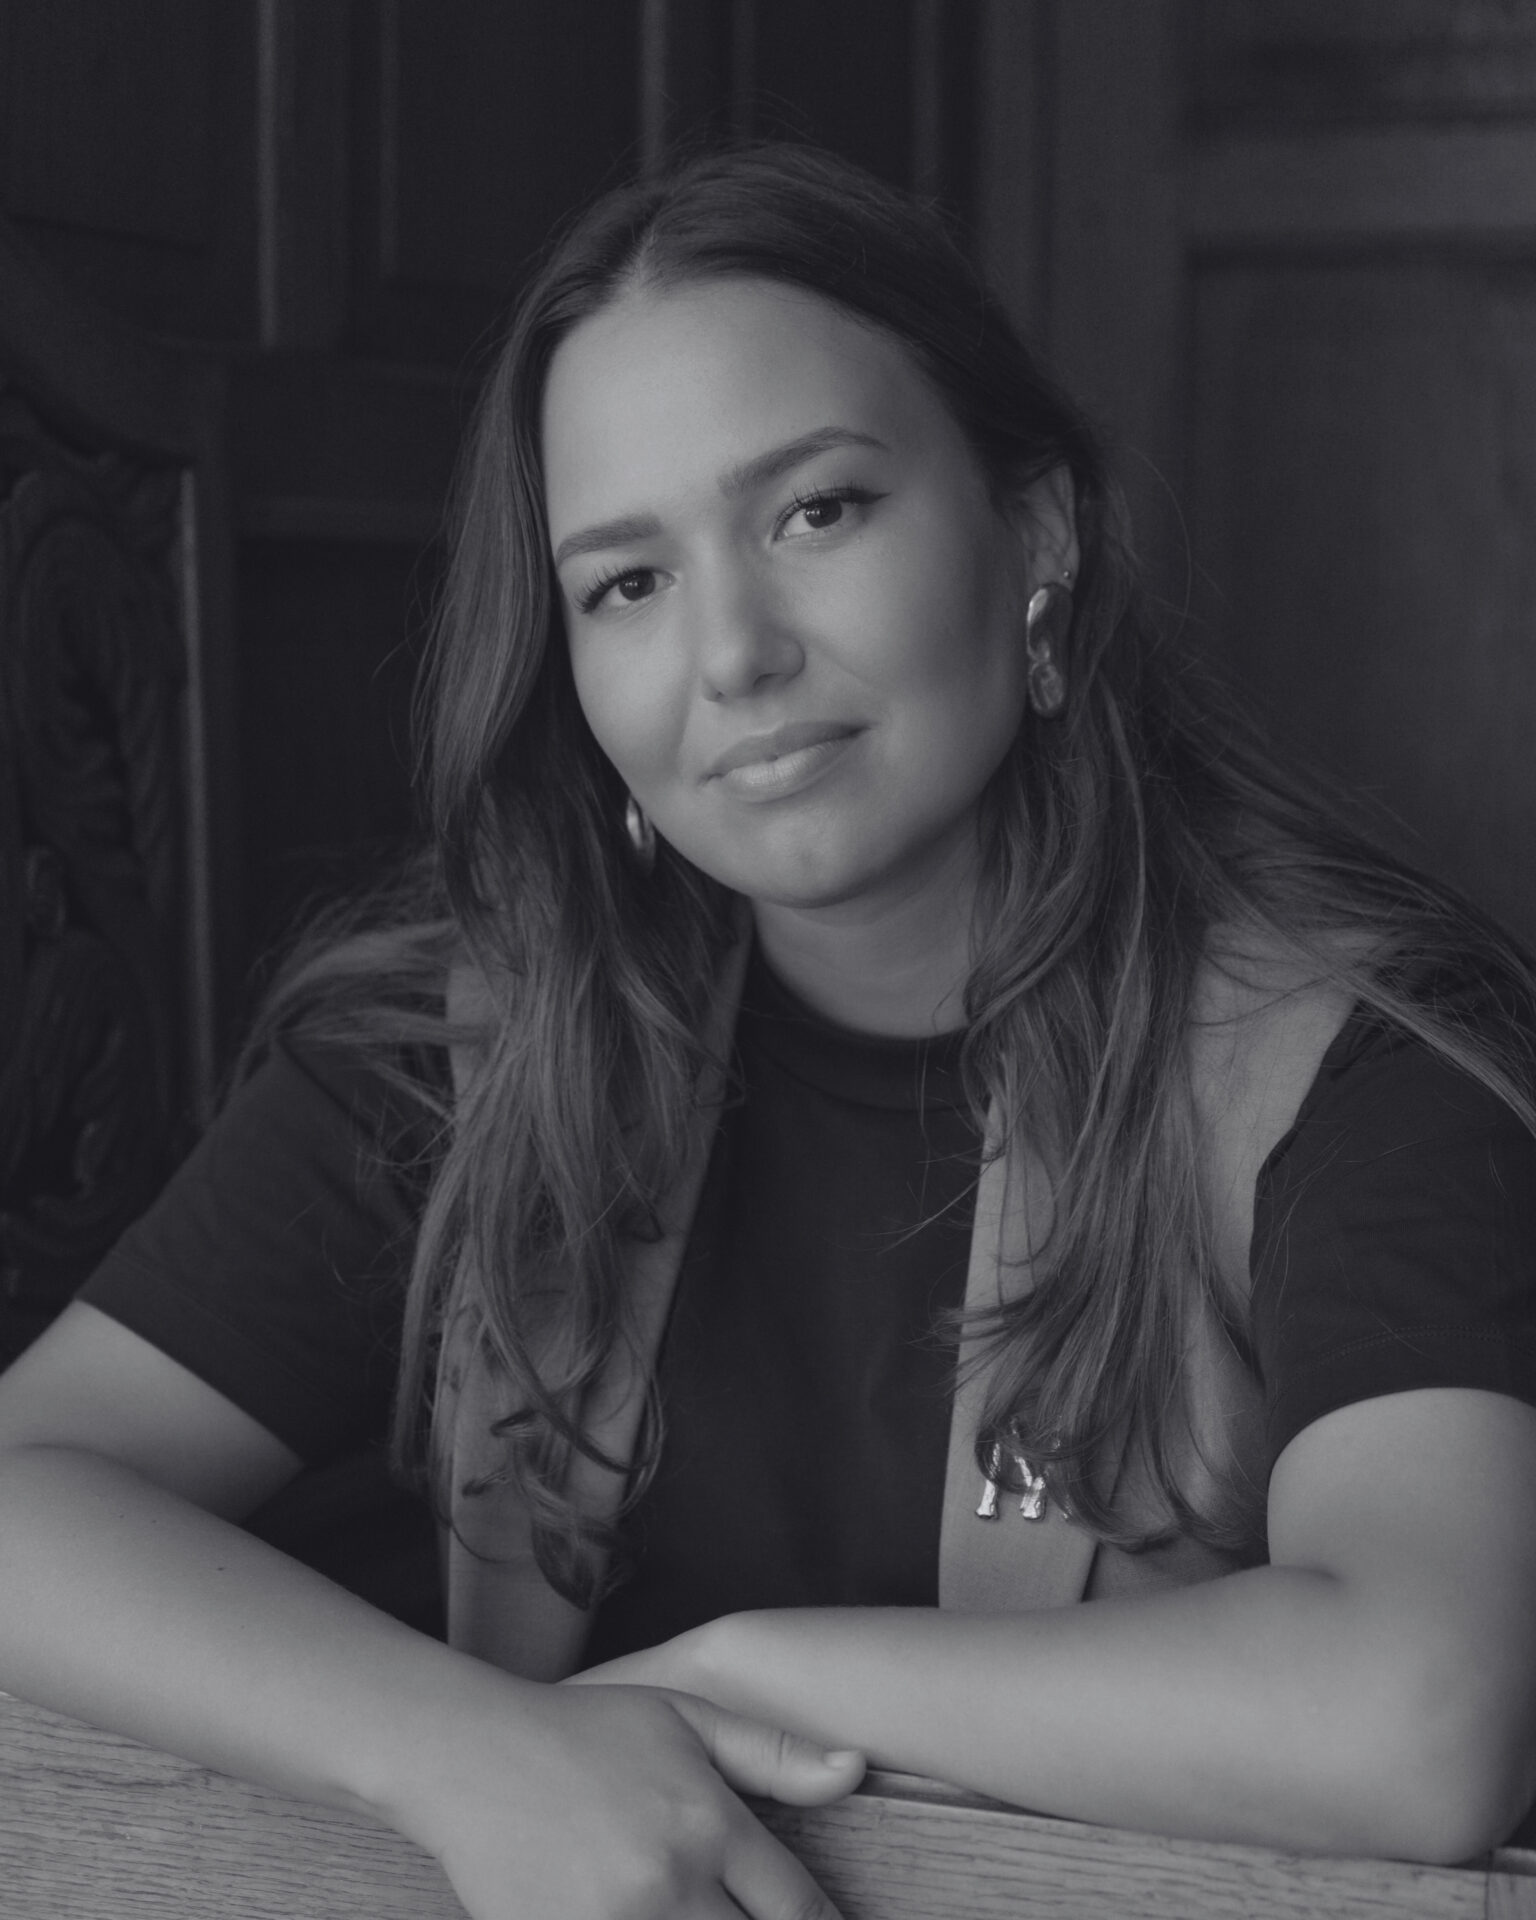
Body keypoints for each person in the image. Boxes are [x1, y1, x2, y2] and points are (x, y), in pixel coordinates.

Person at [1, 142, 1534, 1919]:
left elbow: (1429, 1713)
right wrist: (453, 1746)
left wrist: (726, 1679)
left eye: (817, 511)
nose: (732, 655)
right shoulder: (471, 1041)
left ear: (1033, 527)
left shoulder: (1358, 1052)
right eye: (625, 582)